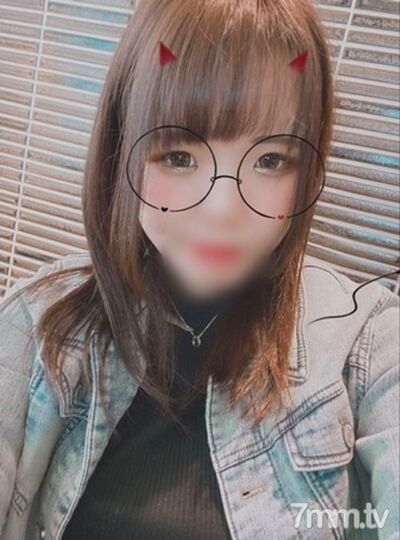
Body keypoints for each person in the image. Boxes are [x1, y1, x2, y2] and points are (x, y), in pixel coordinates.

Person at [0, 0, 399, 539]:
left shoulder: (365, 341)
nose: (223, 210)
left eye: (270, 160)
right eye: (179, 156)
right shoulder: (36, 325)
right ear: (122, 149)